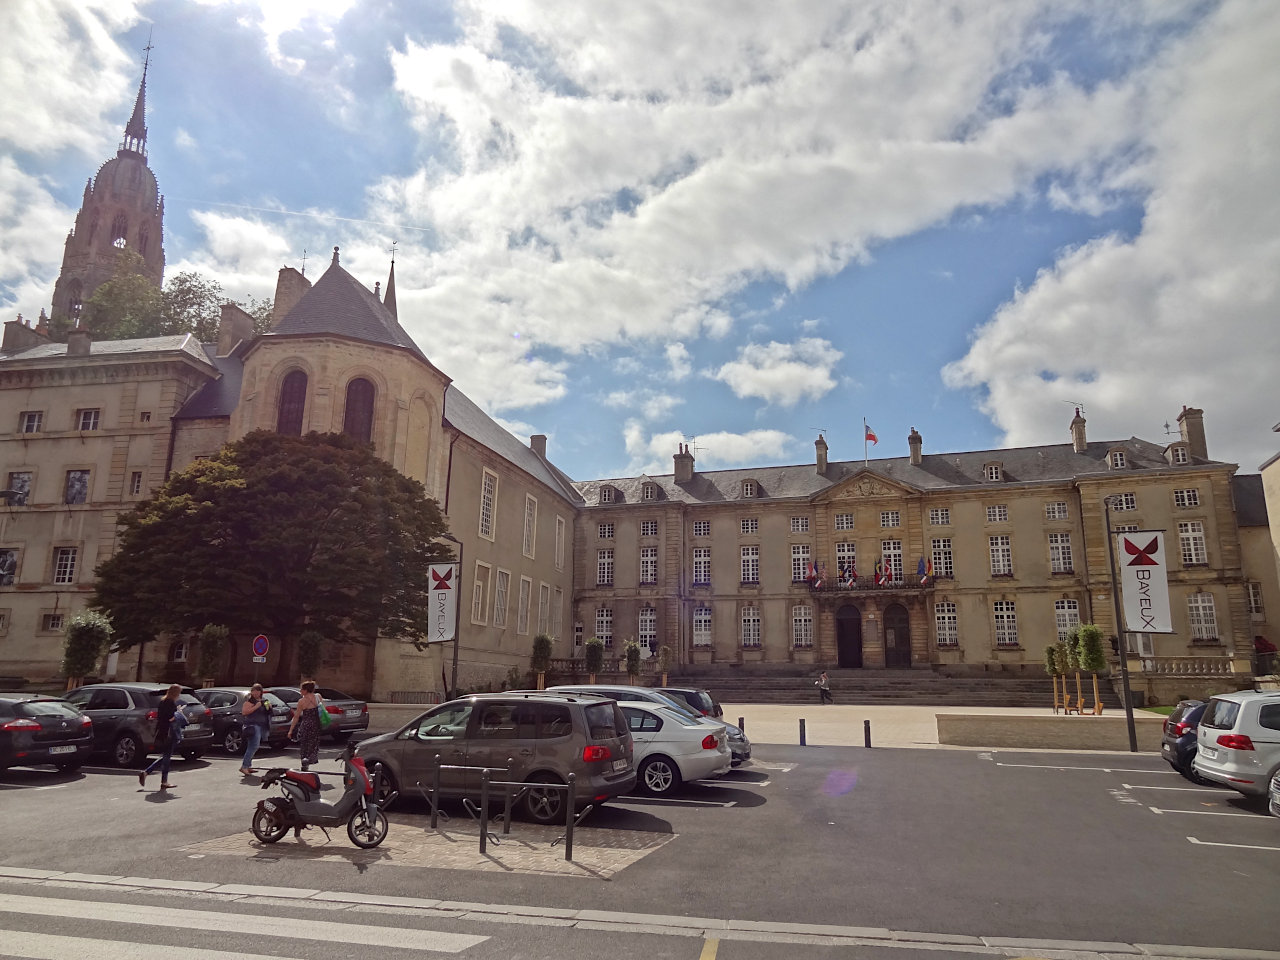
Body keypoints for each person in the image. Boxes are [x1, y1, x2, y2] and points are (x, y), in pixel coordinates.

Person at [140, 683, 185, 789]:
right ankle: (161, 780)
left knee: (166, 756)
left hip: (162, 731)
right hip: (169, 732)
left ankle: (147, 773)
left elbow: (161, 717)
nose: (179, 695)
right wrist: (179, 713)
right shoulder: (170, 703)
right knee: (167, 757)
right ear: (175, 693)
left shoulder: (163, 701)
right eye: (179, 693)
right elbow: (170, 718)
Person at [287, 680, 323, 770]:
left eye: (301, 689)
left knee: (304, 745)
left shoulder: (302, 701)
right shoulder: (318, 697)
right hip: (316, 724)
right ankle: (311, 759)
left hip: (306, 724)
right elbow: (322, 709)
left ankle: (305, 763)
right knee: (313, 744)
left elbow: (296, 716)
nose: (300, 691)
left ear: (306, 690)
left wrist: (291, 730)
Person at [239, 683, 271, 776]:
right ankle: (244, 766)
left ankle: (248, 766)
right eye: (253, 691)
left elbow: (268, 711)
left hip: (262, 726)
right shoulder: (249, 702)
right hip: (252, 726)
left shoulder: (264, 701)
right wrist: (256, 707)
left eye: (257, 691)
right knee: (254, 746)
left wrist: (269, 707)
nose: (255, 693)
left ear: (261, 692)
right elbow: (244, 712)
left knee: (253, 746)